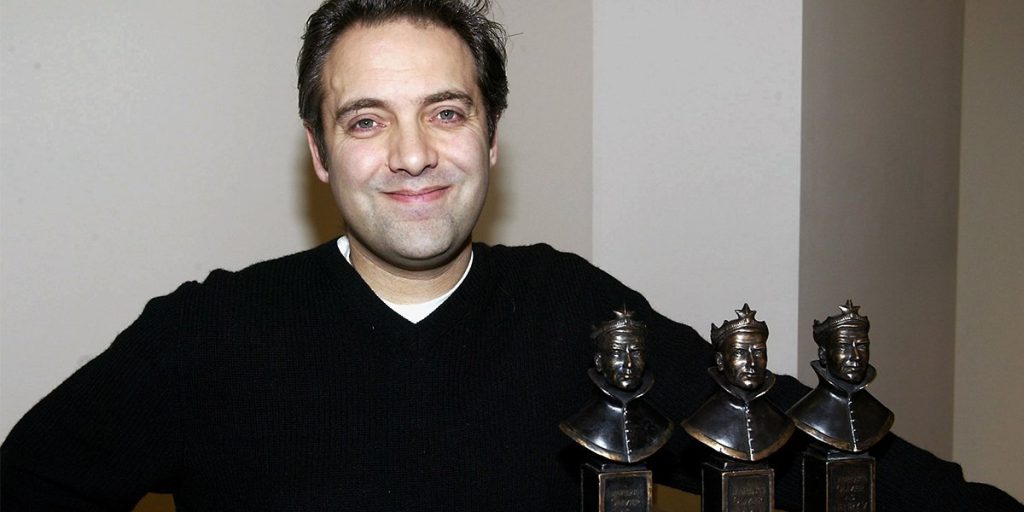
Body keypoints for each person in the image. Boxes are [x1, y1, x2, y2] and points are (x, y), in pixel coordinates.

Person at [1, 0, 1020, 510]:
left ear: (490, 137)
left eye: (446, 111)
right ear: (317, 152)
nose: (411, 156)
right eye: (365, 121)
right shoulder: (208, 333)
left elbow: (792, 445)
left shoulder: (577, 315)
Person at [559, 309, 674, 464]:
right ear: (599, 362)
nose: (628, 364)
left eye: (636, 352)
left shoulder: (661, 426)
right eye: (616, 353)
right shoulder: (579, 425)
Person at [682, 304, 794, 462]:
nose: (751, 363)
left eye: (758, 352)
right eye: (739, 353)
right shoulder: (701, 422)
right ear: (720, 361)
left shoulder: (782, 423)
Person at [788, 300, 894, 453]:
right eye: (844, 346)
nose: (856, 356)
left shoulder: (881, 416)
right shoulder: (803, 414)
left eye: (862, 346)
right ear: (823, 354)